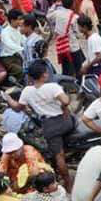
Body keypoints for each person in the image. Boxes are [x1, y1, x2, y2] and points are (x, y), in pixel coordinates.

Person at [16, 60, 74, 190]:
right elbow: (65, 100)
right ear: (44, 75)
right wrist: (64, 107)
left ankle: (68, 183)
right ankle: (68, 180)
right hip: (65, 121)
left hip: (49, 126)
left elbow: (18, 107)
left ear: (30, 77)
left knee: (58, 155)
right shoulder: (53, 87)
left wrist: (8, 99)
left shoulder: (27, 91)